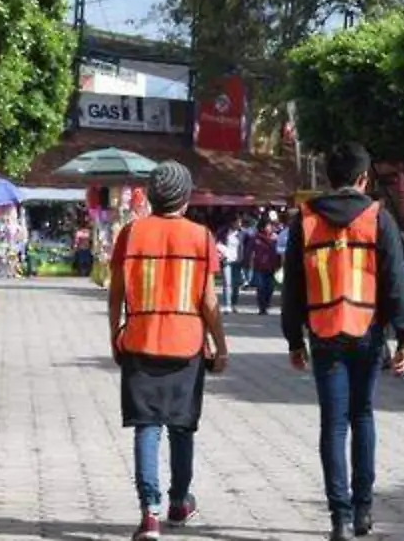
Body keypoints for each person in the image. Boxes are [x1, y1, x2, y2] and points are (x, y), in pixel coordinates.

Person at [281, 141, 404, 541]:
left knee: (333, 425)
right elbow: (394, 282)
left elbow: (294, 286)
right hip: (367, 332)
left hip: (323, 333)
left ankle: (337, 517)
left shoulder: (304, 219)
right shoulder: (378, 218)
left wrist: (293, 340)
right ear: (363, 178)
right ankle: (363, 512)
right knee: (363, 416)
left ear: (330, 178)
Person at [107, 160, 229, 541]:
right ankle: (179, 501)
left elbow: (115, 294)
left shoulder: (131, 233)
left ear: (153, 195)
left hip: (140, 340)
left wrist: (115, 336)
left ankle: (150, 513)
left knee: (146, 426)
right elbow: (208, 300)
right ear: (186, 197)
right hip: (186, 345)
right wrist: (220, 345)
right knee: (181, 427)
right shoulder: (200, 236)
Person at [250, 218, 281, 315]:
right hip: (259, 266)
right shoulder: (256, 238)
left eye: (271, 226)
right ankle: (262, 308)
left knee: (270, 288)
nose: (270, 228)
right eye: (268, 226)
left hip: (271, 266)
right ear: (263, 227)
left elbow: (278, 253)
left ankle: (267, 304)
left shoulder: (275, 238)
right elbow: (251, 251)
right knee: (261, 288)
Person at [215, 215, 245, 313]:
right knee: (227, 283)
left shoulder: (242, 233)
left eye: (240, 222)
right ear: (232, 223)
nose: (239, 224)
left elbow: (247, 245)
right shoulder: (223, 232)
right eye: (238, 222)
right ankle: (227, 305)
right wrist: (220, 253)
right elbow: (216, 243)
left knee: (236, 284)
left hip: (237, 261)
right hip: (226, 260)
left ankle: (234, 304)